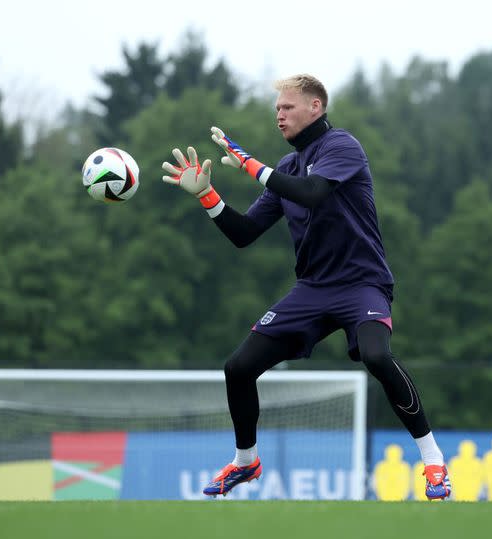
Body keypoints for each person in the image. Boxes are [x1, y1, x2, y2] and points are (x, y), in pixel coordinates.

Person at [160, 74, 451, 500]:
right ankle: (246, 463)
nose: (279, 114)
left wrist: (249, 163)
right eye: (276, 108)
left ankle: (433, 461)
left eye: (288, 107)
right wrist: (208, 196)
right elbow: (244, 232)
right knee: (237, 368)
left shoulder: (342, 147)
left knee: (376, 355)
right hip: (312, 290)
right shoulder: (287, 169)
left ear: (315, 107)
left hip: (361, 284)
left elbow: (313, 193)